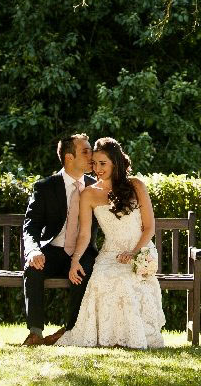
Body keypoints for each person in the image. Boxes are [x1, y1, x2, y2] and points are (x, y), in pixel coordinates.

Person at [44, 137, 165, 348]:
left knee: (125, 280)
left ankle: (128, 338)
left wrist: (134, 252)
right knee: (103, 278)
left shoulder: (136, 185)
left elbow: (149, 228)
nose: (97, 169)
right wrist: (75, 261)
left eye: (103, 164)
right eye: (95, 164)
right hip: (109, 254)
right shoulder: (89, 194)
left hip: (140, 251)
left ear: (115, 163)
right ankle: (108, 338)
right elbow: (84, 235)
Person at [20, 133, 99, 346]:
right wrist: (33, 250)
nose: (91, 155)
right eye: (85, 151)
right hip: (54, 250)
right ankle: (35, 332)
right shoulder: (45, 186)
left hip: (82, 251)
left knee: (84, 270)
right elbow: (31, 226)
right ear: (68, 157)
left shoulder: (96, 187)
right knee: (33, 267)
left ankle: (70, 331)